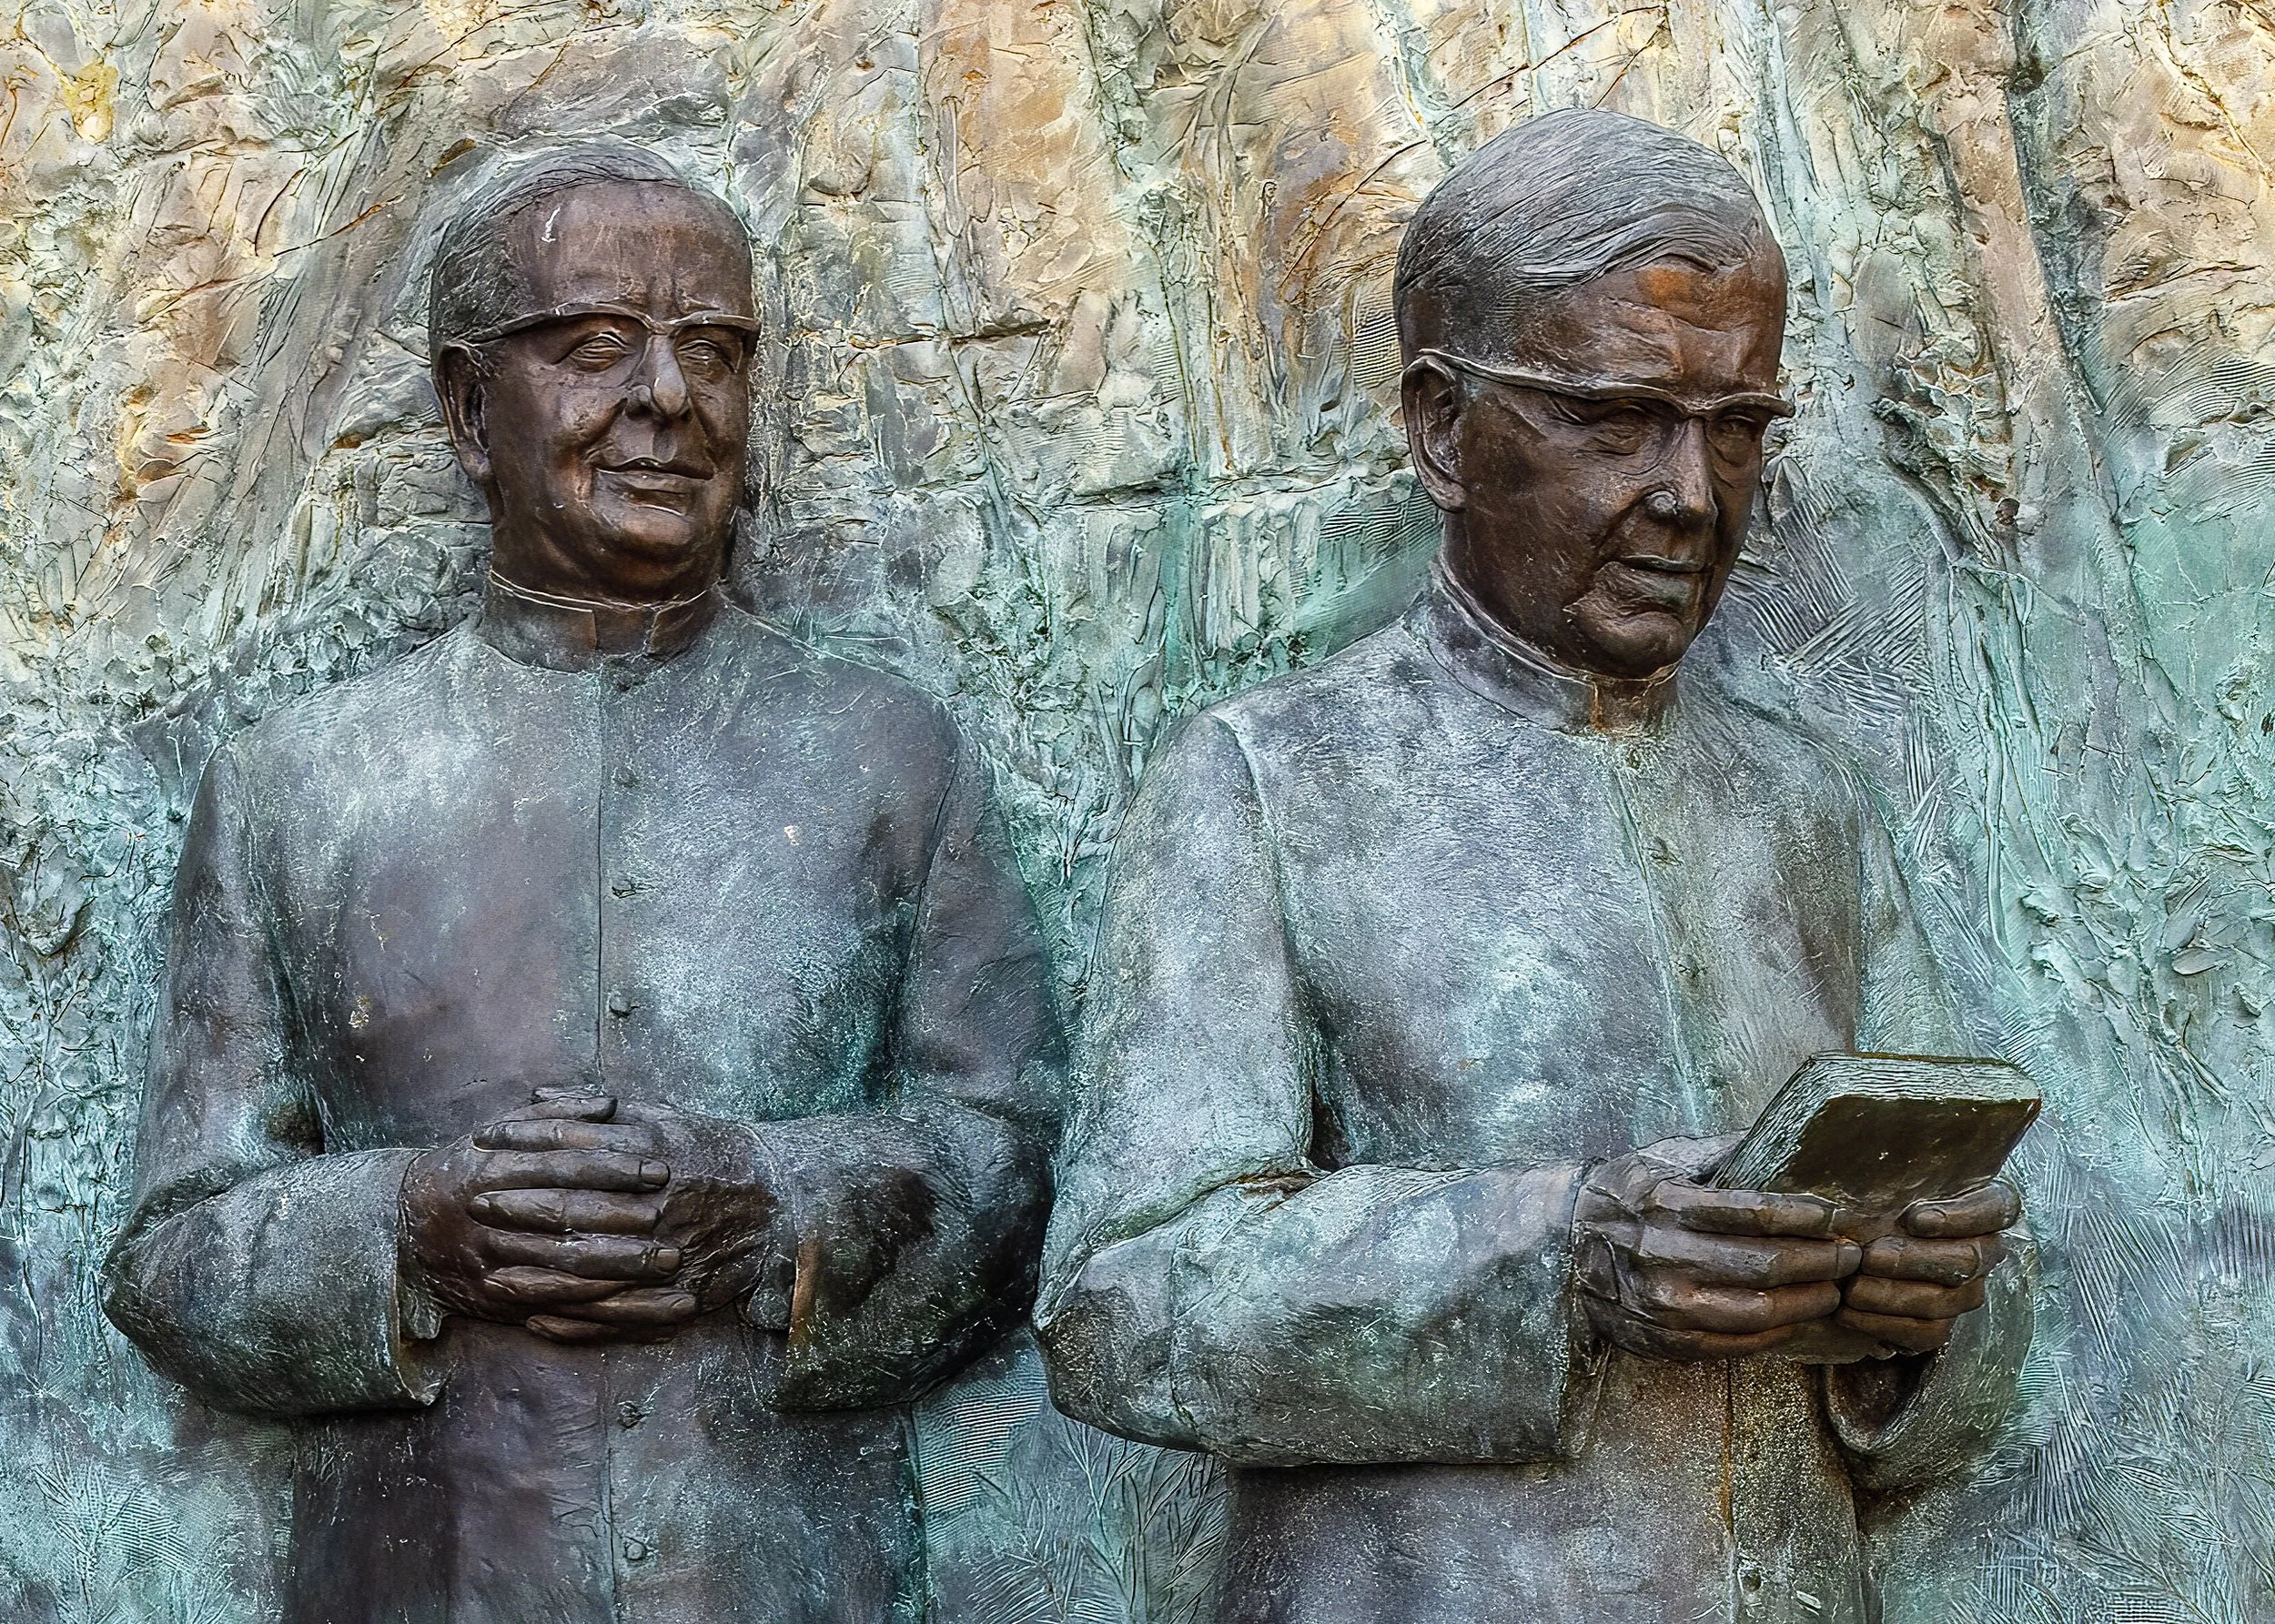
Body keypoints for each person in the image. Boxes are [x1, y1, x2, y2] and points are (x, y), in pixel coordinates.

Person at [1036, 109, 2030, 1624]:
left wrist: (1920, 1318)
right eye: (1620, 418)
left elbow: (1975, 1287)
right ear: (1443, 428)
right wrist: (1558, 1256)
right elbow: (1120, 1301)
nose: (1692, 494)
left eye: (1737, 426)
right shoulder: (1269, 780)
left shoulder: (1805, 805)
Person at [104, 145, 1062, 1624]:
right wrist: (412, 1226)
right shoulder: (297, 787)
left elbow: (1014, 1165)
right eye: (597, 346)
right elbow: (172, 1254)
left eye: (716, 350)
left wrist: (777, 1208)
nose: (669, 399)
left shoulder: (892, 762)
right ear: (470, 408)